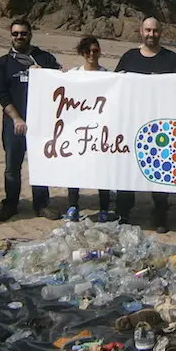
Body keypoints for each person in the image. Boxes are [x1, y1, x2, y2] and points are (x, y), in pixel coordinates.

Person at [114, 17, 176, 233]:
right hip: (131, 123)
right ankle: (123, 213)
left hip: (160, 125)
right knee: (127, 169)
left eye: (155, 30)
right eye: (147, 30)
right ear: (141, 31)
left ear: (161, 32)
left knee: (159, 169)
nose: (151, 34)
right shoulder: (129, 57)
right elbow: (114, 87)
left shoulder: (170, 59)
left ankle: (161, 214)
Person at [0, 19, 63, 222]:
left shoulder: (44, 58)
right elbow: (0, 93)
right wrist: (16, 118)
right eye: (15, 34)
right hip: (14, 123)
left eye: (23, 33)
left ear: (30, 34)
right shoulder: (4, 63)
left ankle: (41, 205)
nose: (19, 37)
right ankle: (11, 204)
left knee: (40, 165)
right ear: (11, 36)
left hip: (41, 124)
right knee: (12, 167)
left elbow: (62, 81)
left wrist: (47, 73)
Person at [64, 36, 113, 223]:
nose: (92, 54)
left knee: (102, 170)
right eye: (88, 51)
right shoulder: (74, 74)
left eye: (95, 50)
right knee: (75, 168)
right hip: (78, 129)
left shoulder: (107, 74)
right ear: (82, 53)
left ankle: (104, 208)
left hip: (101, 128)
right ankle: (73, 206)